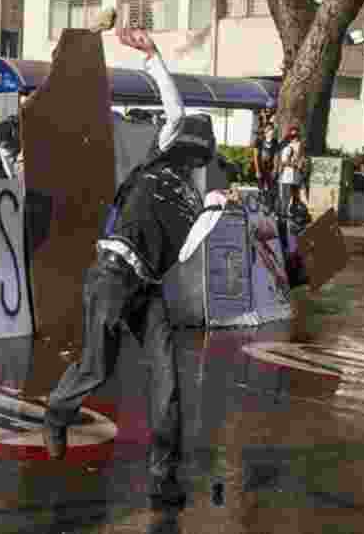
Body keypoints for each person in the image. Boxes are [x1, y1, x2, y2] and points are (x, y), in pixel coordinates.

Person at [42, 26, 236, 509]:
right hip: (111, 273)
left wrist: (214, 210)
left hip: (148, 289)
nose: (192, 143)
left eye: (200, 143)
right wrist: (153, 58)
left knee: (169, 384)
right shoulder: (160, 157)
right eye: (192, 138)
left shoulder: (205, 195)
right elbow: (173, 108)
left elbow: (188, 252)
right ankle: (57, 411)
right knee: (96, 368)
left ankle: (161, 477)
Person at [277, 126, 306, 215]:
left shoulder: (301, 145)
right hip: (286, 176)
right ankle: (283, 213)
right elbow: (284, 161)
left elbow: (302, 158)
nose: (294, 138)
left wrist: (302, 165)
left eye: (296, 136)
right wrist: (294, 165)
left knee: (295, 196)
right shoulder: (287, 146)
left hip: (296, 176)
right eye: (292, 136)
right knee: (285, 197)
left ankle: (292, 213)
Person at [252, 121, 278, 211]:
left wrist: (275, 169)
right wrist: (257, 170)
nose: (271, 131)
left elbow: (275, 156)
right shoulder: (259, 141)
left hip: (270, 169)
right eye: (269, 129)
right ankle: (259, 207)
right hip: (261, 167)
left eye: (272, 129)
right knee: (261, 189)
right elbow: (255, 156)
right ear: (265, 131)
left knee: (271, 189)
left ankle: (270, 208)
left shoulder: (275, 141)